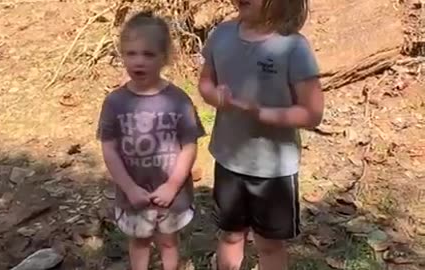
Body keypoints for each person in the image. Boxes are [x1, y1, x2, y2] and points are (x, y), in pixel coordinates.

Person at [198, 0, 324, 269]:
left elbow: (312, 113)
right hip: (228, 158)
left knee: (269, 244)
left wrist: (261, 113)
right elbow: (205, 81)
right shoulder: (221, 35)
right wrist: (213, 95)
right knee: (231, 235)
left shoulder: (293, 47)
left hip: (274, 170)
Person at [97, 11, 205, 270]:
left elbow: (189, 146)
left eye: (148, 54)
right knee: (140, 242)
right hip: (133, 193)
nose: (139, 62)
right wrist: (129, 188)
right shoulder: (115, 103)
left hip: (170, 194)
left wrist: (172, 186)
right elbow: (109, 149)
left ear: (164, 57)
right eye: (131, 54)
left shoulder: (179, 100)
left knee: (168, 242)